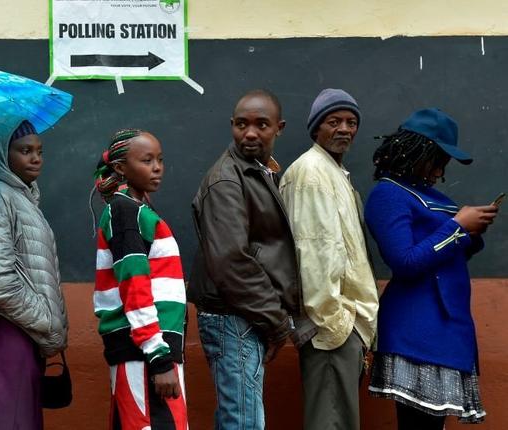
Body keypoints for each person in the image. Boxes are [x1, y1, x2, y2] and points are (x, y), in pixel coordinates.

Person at [188, 90, 315, 430]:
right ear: (232, 125)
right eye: (242, 124)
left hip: (246, 315)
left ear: (279, 128)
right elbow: (232, 262)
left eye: (262, 125)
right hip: (235, 317)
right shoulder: (227, 179)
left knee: (239, 419)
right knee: (243, 422)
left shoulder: (259, 171)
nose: (250, 133)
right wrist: (275, 323)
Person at [365, 109, 498, 429]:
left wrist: (470, 232)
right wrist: (457, 228)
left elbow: (443, 256)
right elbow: (405, 262)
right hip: (417, 328)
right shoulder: (388, 194)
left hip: (447, 327)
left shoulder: (433, 196)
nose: (441, 170)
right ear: (415, 152)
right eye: (437, 159)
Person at [0, 117, 68, 429]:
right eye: (24, 150)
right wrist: (45, 319)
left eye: (39, 150)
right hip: (8, 336)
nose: (36, 158)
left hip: (23, 334)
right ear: (1, 154)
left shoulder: (24, 197)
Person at [279, 88, 379, 430]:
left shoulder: (334, 173)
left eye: (351, 122)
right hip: (331, 328)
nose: (344, 129)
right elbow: (313, 252)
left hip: (343, 325)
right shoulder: (310, 173)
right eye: (333, 121)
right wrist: (336, 323)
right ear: (315, 129)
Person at [92, 129, 188, 430]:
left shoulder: (139, 210)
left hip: (151, 352)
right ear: (121, 168)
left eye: (160, 160)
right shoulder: (125, 213)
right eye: (147, 160)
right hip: (144, 356)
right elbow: (134, 287)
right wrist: (159, 359)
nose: (157, 167)